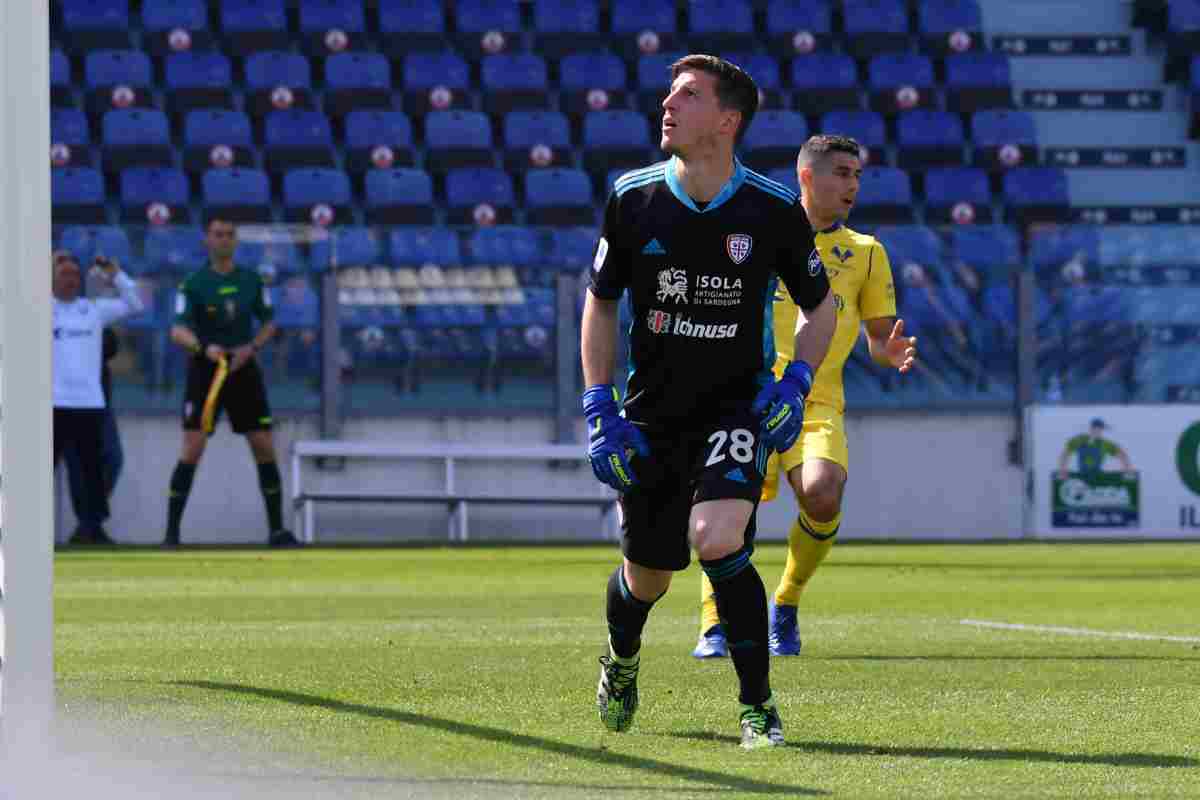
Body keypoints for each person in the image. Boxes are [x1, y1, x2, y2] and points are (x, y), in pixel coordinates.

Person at [582, 55, 837, 749]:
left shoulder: (773, 209)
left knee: (718, 538)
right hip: (650, 416)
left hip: (734, 409)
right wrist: (600, 407)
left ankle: (758, 707)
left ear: (727, 121)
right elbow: (600, 302)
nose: (667, 105)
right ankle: (623, 661)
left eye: (687, 95)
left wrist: (795, 382)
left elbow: (820, 307)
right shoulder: (632, 198)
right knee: (649, 577)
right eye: (670, 93)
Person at [692, 135, 918, 660]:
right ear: (807, 177)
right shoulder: (757, 232)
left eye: (857, 176)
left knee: (822, 492)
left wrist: (887, 351)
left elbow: (879, 335)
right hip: (744, 396)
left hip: (815, 402)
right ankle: (715, 623)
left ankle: (786, 603)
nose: (853, 185)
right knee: (729, 506)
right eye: (842, 173)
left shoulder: (866, 253)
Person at [162, 217, 300, 548]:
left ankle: (277, 531)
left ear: (236, 241)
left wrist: (250, 348)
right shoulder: (193, 283)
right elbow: (177, 330)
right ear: (207, 240)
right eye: (218, 234)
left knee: (263, 445)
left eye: (229, 235)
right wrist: (203, 348)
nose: (224, 239)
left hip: (243, 369)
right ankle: (171, 534)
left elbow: (269, 324)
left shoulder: (251, 280)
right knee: (193, 447)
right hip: (206, 371)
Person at [52, 250, 143, 545]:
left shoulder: (92, 310)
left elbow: (135, 303)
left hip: (89, 404)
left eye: (75, 275)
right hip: (52, 404)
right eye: (64, 274)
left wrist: (115, 273)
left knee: (93, 470)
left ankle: (91, 528)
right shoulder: (39, 309)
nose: (70, 279)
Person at [1056, 418, 1135, 479]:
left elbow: (1122, 455)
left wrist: (1127, 469)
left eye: (1100, 429)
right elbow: (1066, 453)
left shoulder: (1105, 444)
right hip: (1082, 475)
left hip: (1098, 476)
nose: (1097, 431)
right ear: (1091, 428)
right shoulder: (1080, 440)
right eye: (1095, 428)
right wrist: (1062, 469)